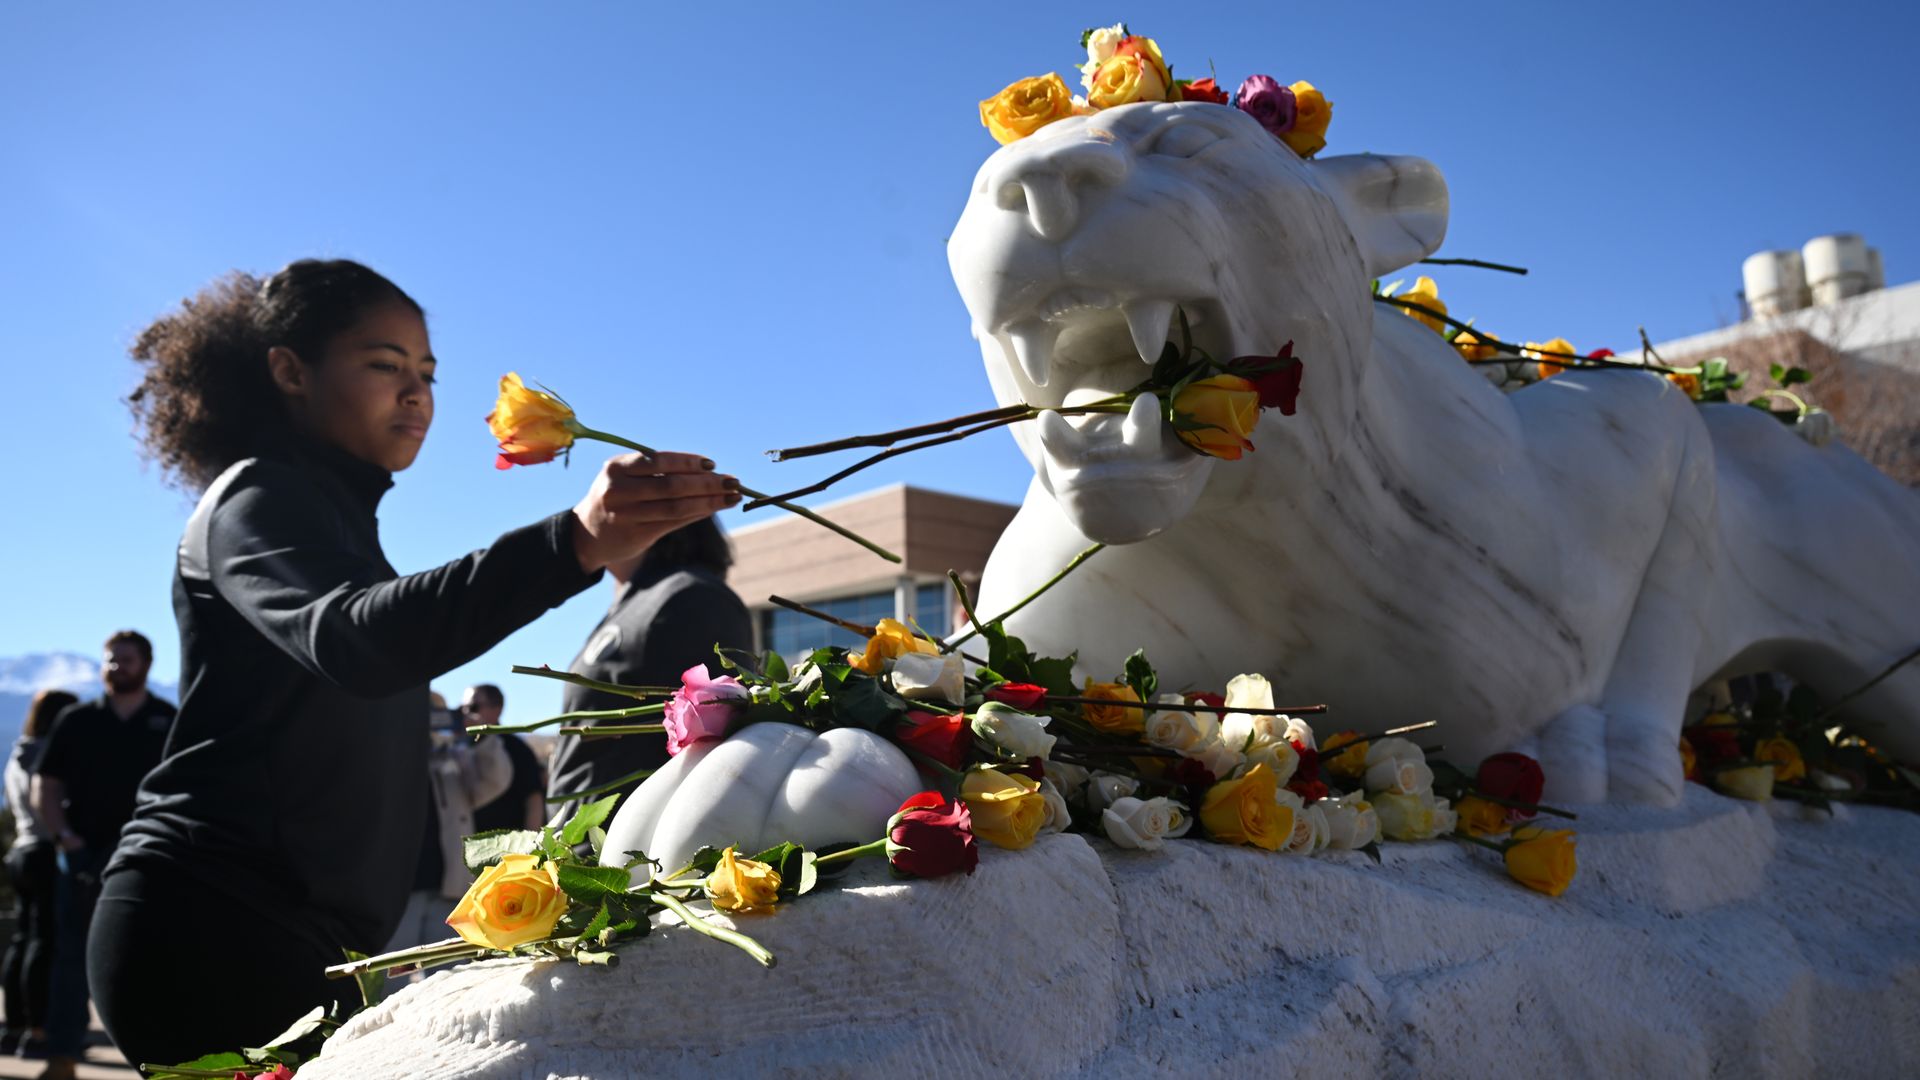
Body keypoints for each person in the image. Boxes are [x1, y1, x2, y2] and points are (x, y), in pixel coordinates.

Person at [88, 258, 739, 1068]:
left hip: (293, 939)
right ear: (290, 371)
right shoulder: (256, 497)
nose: (417, 394)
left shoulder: (332, 520)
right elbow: (360, 640)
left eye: (426, 373)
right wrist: (572, 543)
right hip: (215, 929)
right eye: (384, 365)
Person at [32, 633, 175, 1079]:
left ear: (147, 665)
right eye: (110, 661)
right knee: (70, 958)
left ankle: (158, 1059)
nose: (116, 668)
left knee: (151, 961)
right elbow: (47, 785)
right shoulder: (77, 720)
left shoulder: (167, 720)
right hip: (83, 857)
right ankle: (62, 1057)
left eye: (125, 661)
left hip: (147, 858)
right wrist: (65, 839)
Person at [545, 516, 751, 820]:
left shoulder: (691, 598)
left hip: (627, 854)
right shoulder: (640, 599)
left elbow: (714, 758)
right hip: (588, 845)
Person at [383, 695, 510, 952]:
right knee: (389, 980)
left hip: (447, 886)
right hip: (394, 892)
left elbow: (494, 781)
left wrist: (481, 736)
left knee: (450, 973)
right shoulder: (382, 755)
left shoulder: (452, 760)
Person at [2, 689, 77, 1059]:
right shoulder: (47, 753)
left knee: (22, 940)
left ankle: (14, 1025)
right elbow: (49, 800)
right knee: (44, 942)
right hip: (46, 850)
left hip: (20, 849)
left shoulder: (19, 751)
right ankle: (39, 1029)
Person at [461, 684, 546, 833]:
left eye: (473, 707)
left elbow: (534, 799)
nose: (466, 713)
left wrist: (530, 846)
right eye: (462, 708)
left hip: (508, 848)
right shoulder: (459, 748)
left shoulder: (516, 749)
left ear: (497, 709)